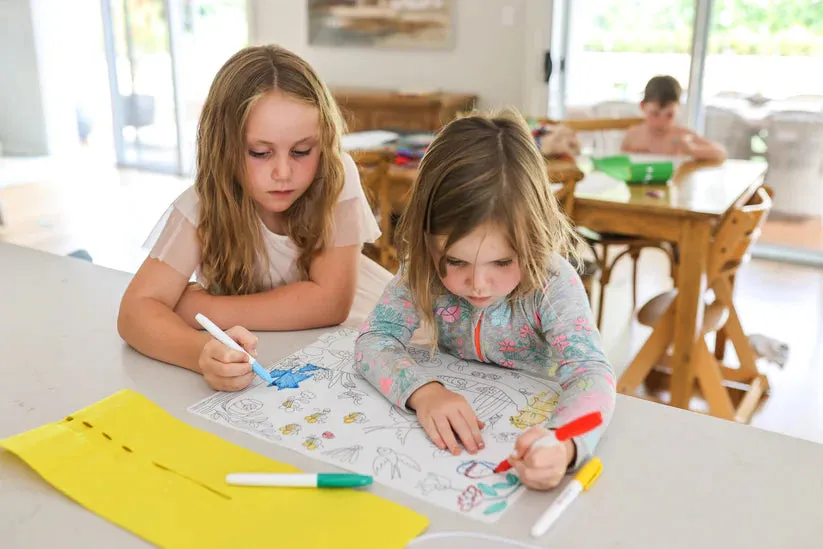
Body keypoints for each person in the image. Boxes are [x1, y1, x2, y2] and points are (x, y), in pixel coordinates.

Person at [354, 109, 616, 491]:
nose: (478, 284)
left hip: (528, 435)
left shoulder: (552, 282)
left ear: (535, 239)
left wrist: (564, 443)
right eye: (456, 261)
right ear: (427, 238)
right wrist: (423, 393)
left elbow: (591, 372)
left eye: (502, 261)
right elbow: (374, 339)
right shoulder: (422, 268)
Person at [118, 44, 390, 392]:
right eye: (260, 153)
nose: (283, 172)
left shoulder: (335, 176)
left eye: (302, 151)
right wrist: (201, 353)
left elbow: (331, 304)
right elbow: (134, 312)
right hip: (291, 359)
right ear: (225, 147)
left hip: (377, 339)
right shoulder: (203, 205)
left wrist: (203, 307)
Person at [622, 75, 726, 161]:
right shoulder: (633, 135)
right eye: (655, 114)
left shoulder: (682, 135)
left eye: (669, 115)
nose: (661, 122)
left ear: (678, 108)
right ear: (643, 107)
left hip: (674, 184)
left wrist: (692, 150)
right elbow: (622, 163)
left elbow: (721, 152)